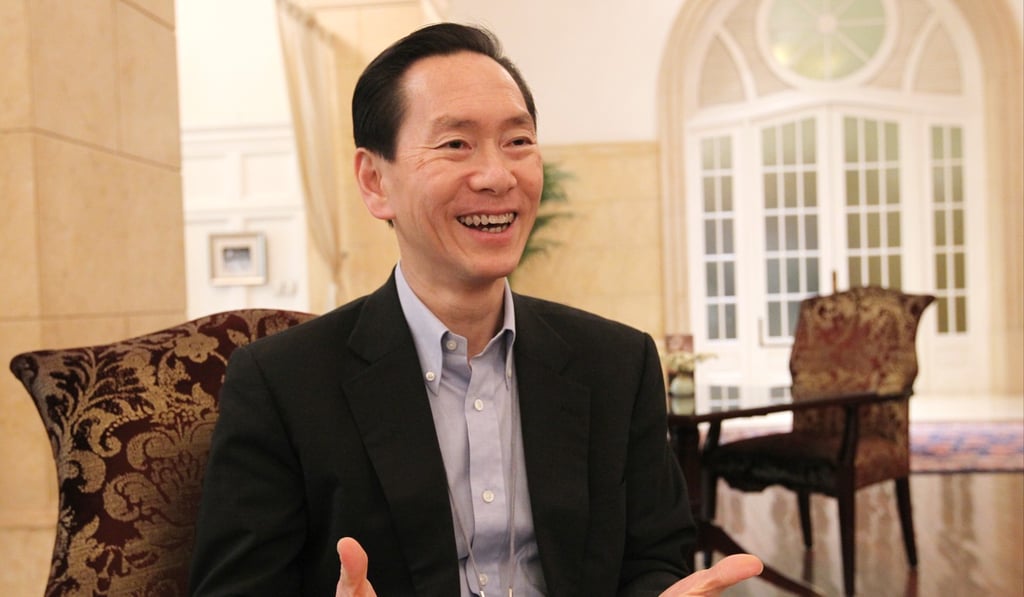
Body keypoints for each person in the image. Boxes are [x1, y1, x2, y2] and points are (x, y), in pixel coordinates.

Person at [189, 22, 762, 596]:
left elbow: (653, 558)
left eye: (517, 142)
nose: (497, 175)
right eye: (455, 144)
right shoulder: (282, 383)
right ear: (374, 181)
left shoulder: (617, 362)